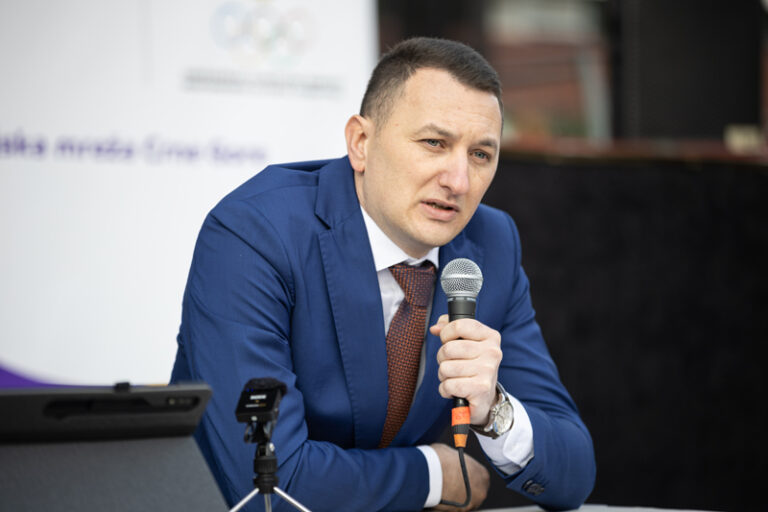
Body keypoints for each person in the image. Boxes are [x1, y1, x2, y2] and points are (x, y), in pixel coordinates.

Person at [171, 37, 595, 511]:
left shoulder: (489, 246)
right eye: (434, 143)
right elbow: (269, 485)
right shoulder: (255, 233)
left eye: (480, 154)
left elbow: (574, 473)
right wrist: (432, 474)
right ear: (361, 143)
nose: (458, 181)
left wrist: (494, 410)